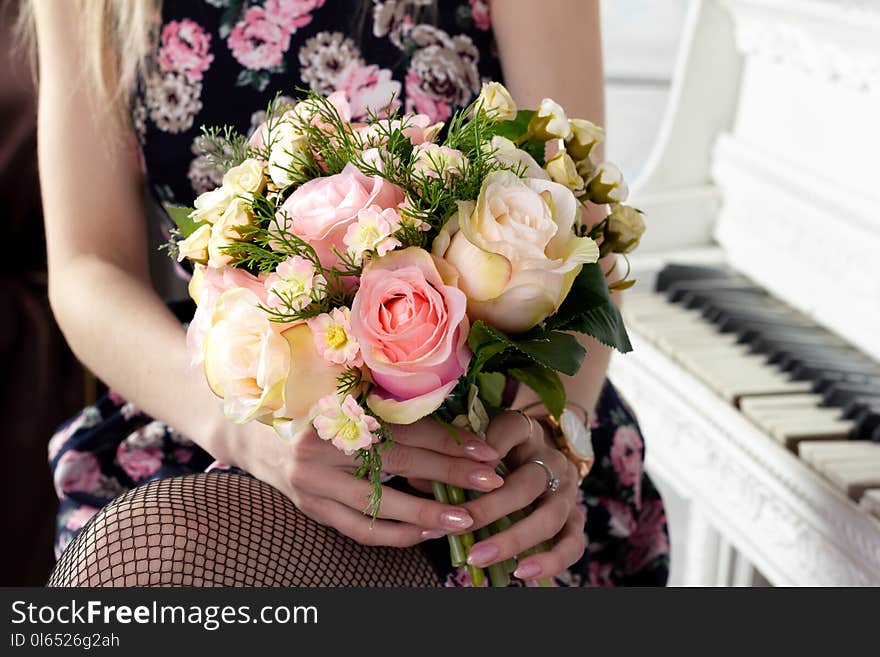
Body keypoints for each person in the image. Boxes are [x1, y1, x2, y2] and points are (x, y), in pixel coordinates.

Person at [26, 0, 668, 587]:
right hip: (224, 407)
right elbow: (87, 268)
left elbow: (578, 220)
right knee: (141, 568)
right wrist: (245, 433)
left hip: (490, 424)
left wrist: (551, 432)